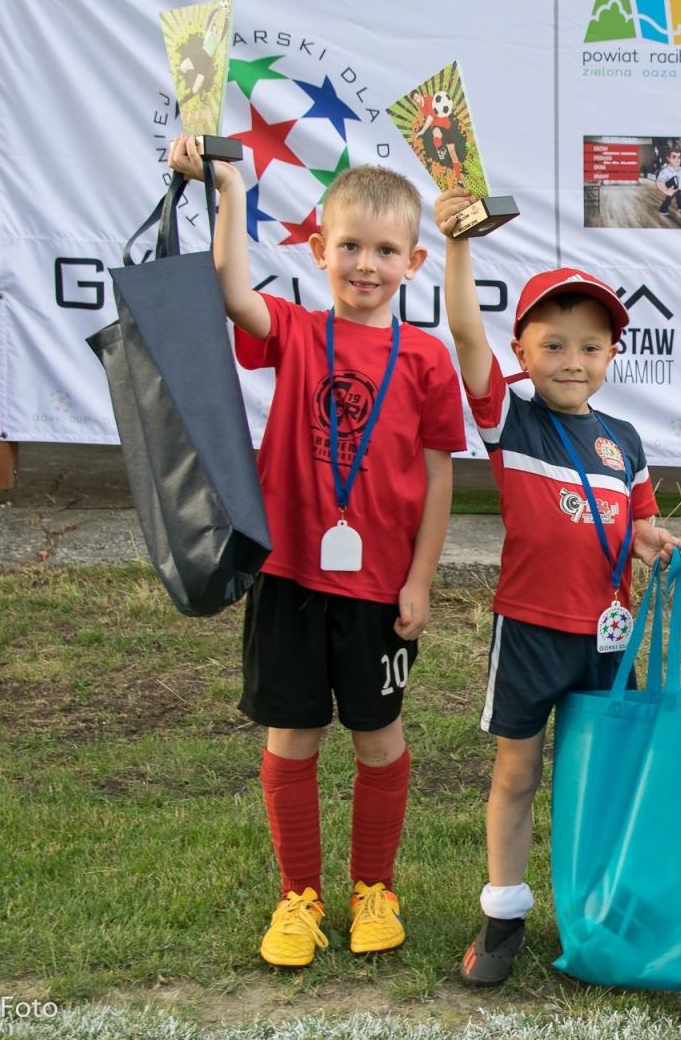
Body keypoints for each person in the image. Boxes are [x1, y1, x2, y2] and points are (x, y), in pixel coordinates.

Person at [166, 137, 467, 968]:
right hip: (290, 577)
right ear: (317, 249)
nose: (364, 265)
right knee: (290, 739)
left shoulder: (427, 359)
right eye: (349, 247)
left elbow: (438, 481)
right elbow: (231, 293)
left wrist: (420, 580)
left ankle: (375, 887)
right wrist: (227, 186)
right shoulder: (296, 332)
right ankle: (299, 896)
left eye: (383, 251)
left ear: (412, 261)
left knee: (380, 739)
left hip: (378, 591)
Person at [432, 186, 681, 987]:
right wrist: (458, 246)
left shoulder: (624, 440)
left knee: (606, 782)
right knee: (518, 774)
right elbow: (464, 333)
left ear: (612, 355)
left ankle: (599, 915)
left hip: (606, 640)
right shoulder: (512, 418)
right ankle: (503, 914)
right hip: (533, 632)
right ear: (523, 349)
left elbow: (637, 521)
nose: (571, 361)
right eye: (552, 345)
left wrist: (651, 541)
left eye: (588, 347)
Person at [654, 145, 681, 217]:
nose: (677, 159)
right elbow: (660, 180)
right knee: (672, 194)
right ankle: (664, 208)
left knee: (677, 194)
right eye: (674, 157)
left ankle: (679, 206)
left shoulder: (679, 168)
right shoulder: (665, 168)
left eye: (679, 157)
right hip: (670, 183)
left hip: (677, 184)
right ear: (668, 158)